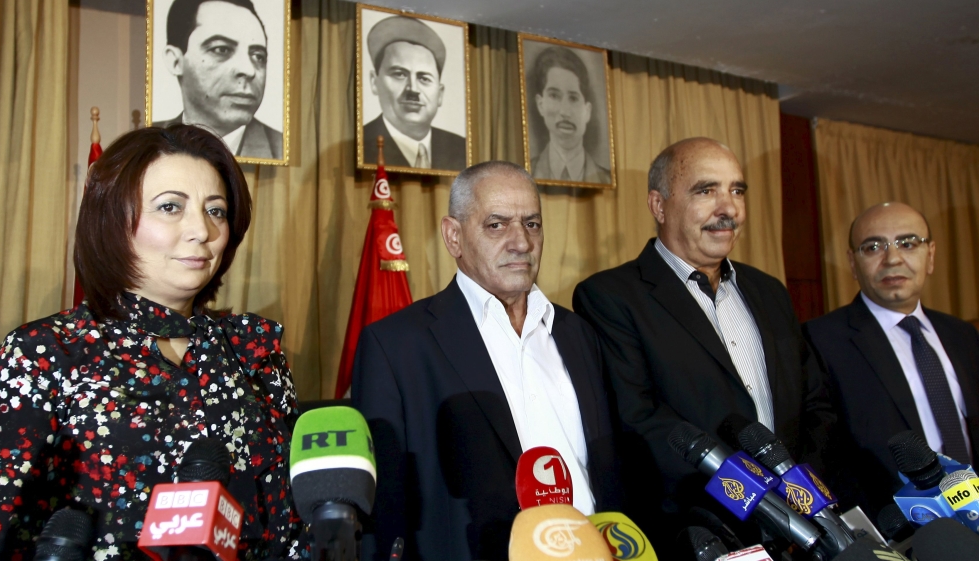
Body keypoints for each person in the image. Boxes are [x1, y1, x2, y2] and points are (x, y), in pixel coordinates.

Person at [0, 126, 305, 558]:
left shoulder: (253, 349)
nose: (202, 230)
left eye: (216, 211)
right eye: (170, 207)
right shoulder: (45, 352)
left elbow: (292, 520)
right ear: (113, 220)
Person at [572, 137, 833, 555]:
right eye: (706, 190)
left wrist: (802, 498)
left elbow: (814, 404)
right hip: (696, 530)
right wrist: (758, 500)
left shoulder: (770, 291)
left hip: (800, 530)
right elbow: (638, 419)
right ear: (659, 206)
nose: (728, 208)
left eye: (737, 191)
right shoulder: (611, 296)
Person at [351, 161, 619, 561]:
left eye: (532, 224)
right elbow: (384, 510)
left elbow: (608, 471)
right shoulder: (396, 345)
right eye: (497, 225)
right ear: (453, 236)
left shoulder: (578, 333)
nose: (521, 242)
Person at [803, 202, 979, 518]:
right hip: (896, 530)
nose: (893, 259)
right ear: (853, 263)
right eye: (873, 247)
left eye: (908, 244)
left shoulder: (963, 335)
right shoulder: (820, 341)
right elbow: (822, 459)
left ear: (931, 256)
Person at [156, 0, 283, 160]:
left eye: (258, 56)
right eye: (221, 49)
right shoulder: (149, 144)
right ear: (176, 61)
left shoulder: (281, 147)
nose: (248, 70)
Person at [362, 15, 466, 171]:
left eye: (424, 78)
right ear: (374, 82)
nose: (413, 89)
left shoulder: (461, 149)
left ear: (440, 94)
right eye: (399, 74)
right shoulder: (360, 145)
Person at [528, 46, 610, 184]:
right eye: (554, 96)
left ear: (587, 111)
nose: (565, 112)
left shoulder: (605, 179)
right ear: (540, 104)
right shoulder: (523, 177)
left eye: (573, 98)